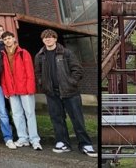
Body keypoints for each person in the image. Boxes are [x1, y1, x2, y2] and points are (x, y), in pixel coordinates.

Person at [34, 29, 96, 157]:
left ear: (55, 39)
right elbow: (38, 73)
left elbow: (77, 70)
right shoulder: (40, 56)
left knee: (77, 119)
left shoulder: (66, 53)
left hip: (70, 92)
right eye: (45, 38)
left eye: (50, 37)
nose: (48, 39)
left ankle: (85, 144)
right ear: (42, 40)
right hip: (52, 93)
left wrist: (71, 82)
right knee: (57, 119)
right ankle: (63, 143)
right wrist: (42, 83)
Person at [0, 31, 41, 150]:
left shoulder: (23, 53)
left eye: (9, 38)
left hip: (24, 88)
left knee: (30, 114)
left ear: (13, 39)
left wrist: (30, 88)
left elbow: (30, 72)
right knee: (17, 115)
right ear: (3, 41)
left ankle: (34, 139)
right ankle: (23, 138)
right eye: (5, 39)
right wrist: (6, 89)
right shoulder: (3, 54)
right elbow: (3, 74)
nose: (7, 40)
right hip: (12, 89)